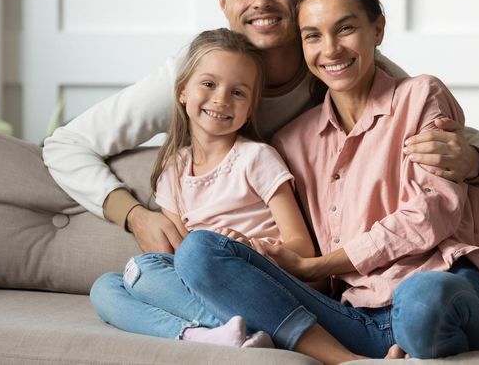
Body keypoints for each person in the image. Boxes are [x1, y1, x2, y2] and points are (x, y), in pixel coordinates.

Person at [42, 0, 479, 254]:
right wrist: (134, 215)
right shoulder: (196, 78)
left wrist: (473, 159)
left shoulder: (342, 64)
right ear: (223, 3)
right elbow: (65, 145)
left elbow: (478, 144)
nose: (261, 2)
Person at [170, 0, 479, 363]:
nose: (330, 49)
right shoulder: (291, 142)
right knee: (198, 251)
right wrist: (267, 256)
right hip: (353, 320)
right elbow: (305, 265)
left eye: (346, 28)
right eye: (313, 36)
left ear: (378, 30)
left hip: (436, 289)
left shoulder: (420, 96)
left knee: (422, 302)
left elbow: (432, 214)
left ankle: (413, 343)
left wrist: (315, 264)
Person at [89, 28, 315, 348]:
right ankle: (208, 334)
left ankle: (232, 327)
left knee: (141, 269)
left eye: (238, 92)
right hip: (201, 285)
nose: (221, 99)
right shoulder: (174, 169)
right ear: (183, 92)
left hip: (256, 282)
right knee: (107, 287)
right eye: (208, 84)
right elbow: (177, 256)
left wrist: (252, 247)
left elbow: (303, 247)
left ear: (251, 107)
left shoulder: (256, 158)